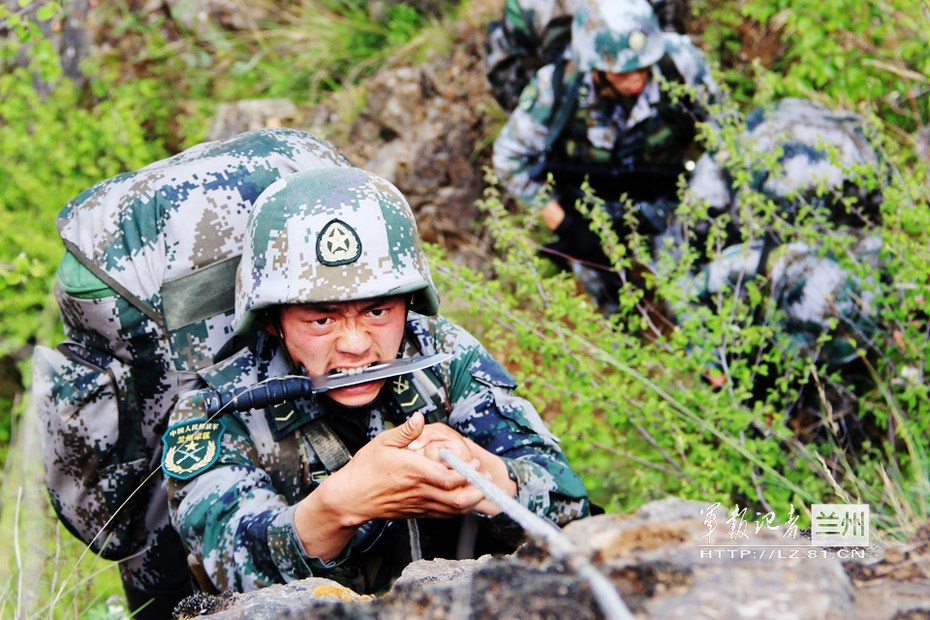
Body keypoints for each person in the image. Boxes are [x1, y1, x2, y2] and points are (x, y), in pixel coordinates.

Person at [162, 166, 591, 594]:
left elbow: (572, 507)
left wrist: (489, 477)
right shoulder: (218, 407)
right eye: (322, 319)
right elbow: (230, 564)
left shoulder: (439, 356)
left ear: (408, 303)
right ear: (273, 322)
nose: (354, 344)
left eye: (377, 312)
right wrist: (336, 508)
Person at [32, 128, 352, 618]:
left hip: (119, 247)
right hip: (134, 277)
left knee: (176, 430)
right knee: (183, 439)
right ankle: (174, 601)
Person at [492, 0, 718, 312]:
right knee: (613, 305)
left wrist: (703, 198)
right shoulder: (557, 86)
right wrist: (566, 225)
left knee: (690, 300)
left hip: (667, 205)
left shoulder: (680, 61)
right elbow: (509, 158)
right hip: (593, 213)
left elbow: (722, 135)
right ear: (595, 67)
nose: (636, 79)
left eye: (642, 66)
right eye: (622, 72)